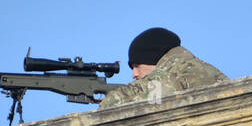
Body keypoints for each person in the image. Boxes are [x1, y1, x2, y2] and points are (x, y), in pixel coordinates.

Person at [97, 27, 228, 110]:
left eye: (137, 66)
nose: (134, 74)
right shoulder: (198, 67)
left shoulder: (178, 70)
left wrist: (110, 99)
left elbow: (115, 103)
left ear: (152, 58)